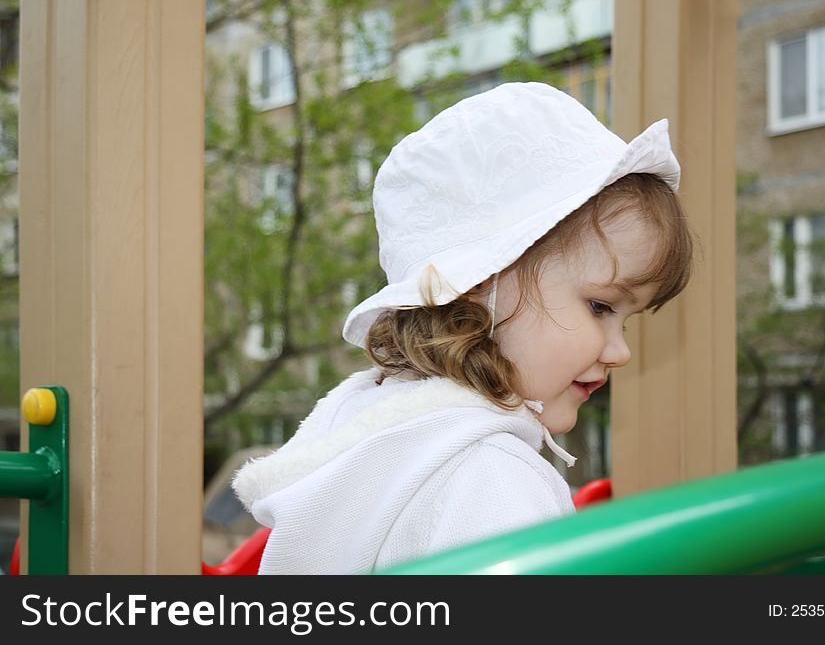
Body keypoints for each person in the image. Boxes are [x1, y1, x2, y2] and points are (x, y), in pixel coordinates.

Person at [233, 82, 694, 574]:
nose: (619, 352)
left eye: (628, 321)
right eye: (601, 306)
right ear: (478, 284)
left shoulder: (372, 434)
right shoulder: (493, 477)